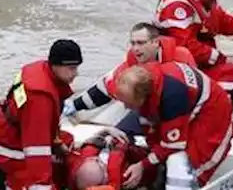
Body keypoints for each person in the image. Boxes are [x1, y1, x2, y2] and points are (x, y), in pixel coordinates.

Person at [113, 61, 233, 190]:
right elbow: (151, 130)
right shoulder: (143, 86)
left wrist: (143, 165)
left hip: (213, 113)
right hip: (186, 105)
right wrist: (152, 159)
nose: (126, 107)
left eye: (129, 103)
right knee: (160, 154)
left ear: (142, 96)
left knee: (187, 161)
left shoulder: (173, 94)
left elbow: (173, 145)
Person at [0, 39, 84, 190]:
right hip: (12, 150)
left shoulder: (39, 70)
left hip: (10, 134)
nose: (76, 74)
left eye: (76, 67)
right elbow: (36, 149)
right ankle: (11, 184)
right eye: (71, 68)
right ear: (55, 65)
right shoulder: (40, 98)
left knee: (67, 144)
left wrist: (57, 142)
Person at [63, 22, 196, 126]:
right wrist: (75, 105)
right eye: (132, 43)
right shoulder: (131, 65)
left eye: (141, 43)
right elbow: (105, 88)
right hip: (149, 113)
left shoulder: (181, 56)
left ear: (155, 42)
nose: (136, 48)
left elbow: (195, 92)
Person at [64, 126, 145, 190]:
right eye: (97, 162)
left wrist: (106, 131)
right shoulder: (122, 177)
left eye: (89, 161)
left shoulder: (77, 164)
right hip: (127, 140)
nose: (94, 158)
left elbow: (91, 141)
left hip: (109, 136)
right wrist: (116, 141)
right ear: (106, 177)